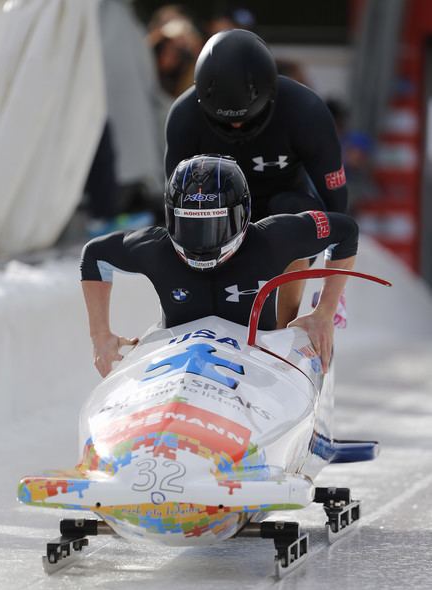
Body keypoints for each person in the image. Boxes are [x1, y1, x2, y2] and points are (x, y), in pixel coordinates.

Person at [81, 155, 358, 378]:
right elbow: (94, 254)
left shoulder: (273, 238)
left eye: (215, 224)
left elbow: (344, 231)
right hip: (180, 368)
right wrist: (100, 336)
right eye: (190, 224)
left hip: (257, 367)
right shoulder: (155, 248)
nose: (202, 241)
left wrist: (325, 312)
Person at [164, 29, 349, 327]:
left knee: (293, 211)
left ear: (270, 95)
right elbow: (175, 204)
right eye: (226, 120)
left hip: (284, 209)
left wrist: (330, 297)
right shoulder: (184, 117)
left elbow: (337, 206)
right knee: (195, 214)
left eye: (245, 118)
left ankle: (282, 325)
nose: (236, 126)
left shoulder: (306, 112)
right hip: (219, 213)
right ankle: (198, 318)